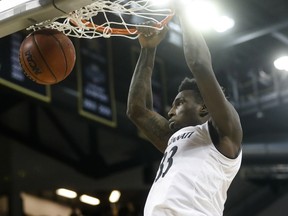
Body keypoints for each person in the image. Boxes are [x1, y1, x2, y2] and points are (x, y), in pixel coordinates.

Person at [126, 5, 243, 216]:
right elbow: (137, 110)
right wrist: (148, 49)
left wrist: (183, 10)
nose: (170, 112)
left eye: (179, 103)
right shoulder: (175, 140)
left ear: (204, 107)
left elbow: (199, 64)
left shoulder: (223, 132)